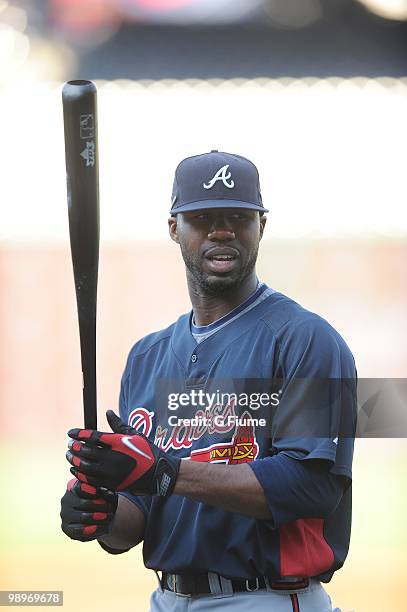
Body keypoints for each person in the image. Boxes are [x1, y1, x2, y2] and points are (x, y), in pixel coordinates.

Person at [61, 150, 357, 612]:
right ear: (175, 228)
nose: (222, 230)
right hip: (167, 598)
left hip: (267, 599)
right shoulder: (147, 356)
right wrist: (100, 511)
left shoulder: (307, 340)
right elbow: (137, 520)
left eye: (237, 216)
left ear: (262, 224)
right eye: (203, 217)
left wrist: (164, 472)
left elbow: (311, 486)